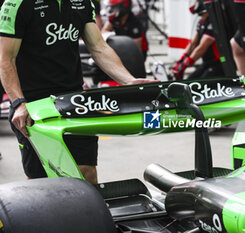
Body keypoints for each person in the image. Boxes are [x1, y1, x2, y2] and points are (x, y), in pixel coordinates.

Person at [0, 0, 155, 184]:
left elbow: (98, 46)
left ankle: (90, 213)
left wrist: (129, 80)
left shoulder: (81, 2)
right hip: (33, 105)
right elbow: (5, 58)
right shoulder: (17, 3)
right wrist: (18, 103)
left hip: (74, 101)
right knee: (41, 182)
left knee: (86, 174)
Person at [171, 0, 224, 80]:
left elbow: (202, 48)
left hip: (218, 64)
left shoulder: (213, 22)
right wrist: (181, 60)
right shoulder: (201, 22)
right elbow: (193, 43)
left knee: (198, 84)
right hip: (206, 63)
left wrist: (185, 64)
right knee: (189, 80)